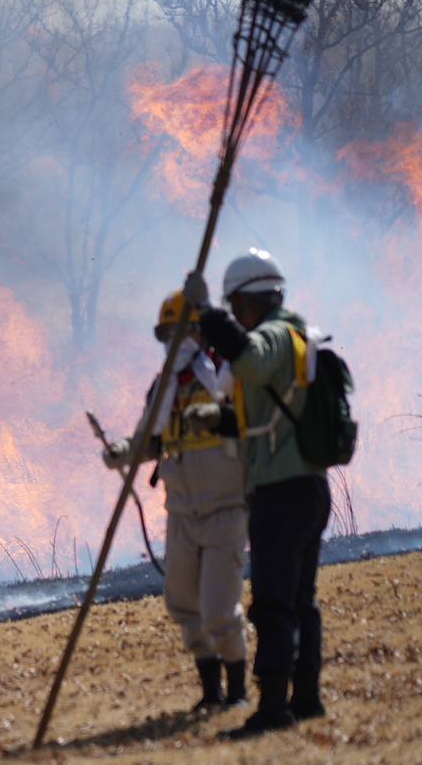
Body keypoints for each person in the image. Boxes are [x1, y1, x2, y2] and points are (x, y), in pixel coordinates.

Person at [184, 248, 331, 738]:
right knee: (299, 600)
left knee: (273, 602)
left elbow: (245, 363)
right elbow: (267, 415)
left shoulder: (272, 335)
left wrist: (206, 312)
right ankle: (306, 700)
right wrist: (219, 419)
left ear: (250, 301)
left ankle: (272, 709)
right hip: (306, 486)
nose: (236, 316)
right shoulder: (297, 334)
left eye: (235, 305)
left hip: (281, 492)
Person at [105, 290, 248, 712]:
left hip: (226, 507)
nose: (174, 342)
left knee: (219, 607)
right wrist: (123, 450)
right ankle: (211, 692)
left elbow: (248, 423)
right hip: (182, 511)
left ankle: (238, 692)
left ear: (200, 333)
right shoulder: (162, 388)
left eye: (181, 331)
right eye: (167, 334)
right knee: (184, 602)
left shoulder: (225, 375)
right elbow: (150, 440)